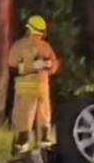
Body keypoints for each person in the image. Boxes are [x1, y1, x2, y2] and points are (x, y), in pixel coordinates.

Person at [6, 15, 61, 155]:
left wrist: (29, 67)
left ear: (28, 29)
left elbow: (12, 68)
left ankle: (22, 143)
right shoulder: (46, 47)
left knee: (24, 116)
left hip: (25, 87)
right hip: (42, 86)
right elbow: (54, 67)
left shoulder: (19, 45)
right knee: (44, 115)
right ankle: (44, 142)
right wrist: (45, 66)